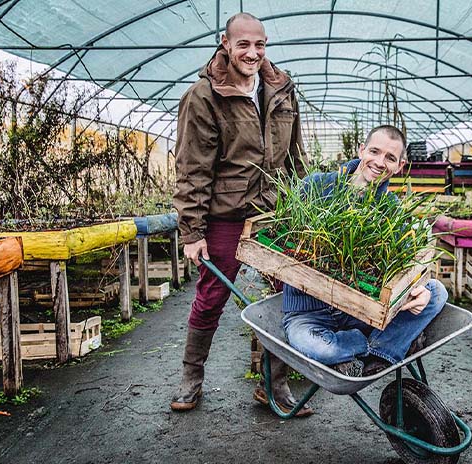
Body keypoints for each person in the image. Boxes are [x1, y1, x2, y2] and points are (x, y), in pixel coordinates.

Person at [172, 12, 311, 416]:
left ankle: (274, 383)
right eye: (244, 44)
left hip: (275, 212)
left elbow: (296, 157)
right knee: (212, 295)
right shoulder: (203, 96)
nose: (252, 53)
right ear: (226, 44)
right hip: (226, 214)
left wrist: (305, 211)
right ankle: (191, 378)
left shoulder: (281, 89)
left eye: (260, 45)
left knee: (289, 295)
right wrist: (192, 232)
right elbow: (192, 169)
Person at [282, 125, 449, 377]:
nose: (380, 162)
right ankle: (378, 346)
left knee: (436, 292)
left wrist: (417, 289)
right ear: (361, 150)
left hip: (361, 311)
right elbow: (280, 239)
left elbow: (405, 266)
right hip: (308, 313)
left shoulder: (391, 210)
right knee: (321, 348)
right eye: (374, 151)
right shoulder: (315, 186)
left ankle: (374, 353)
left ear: (400, 166)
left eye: (390, 158)